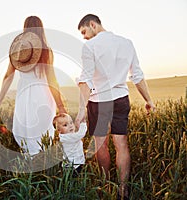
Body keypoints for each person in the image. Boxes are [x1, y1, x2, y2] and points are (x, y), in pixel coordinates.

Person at [75, 14, 155, 199]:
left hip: (98, 101)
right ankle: (123, 190)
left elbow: (86, 79)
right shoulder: (127, 43)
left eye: (84, 31)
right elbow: (137, 76)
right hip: (120, 99)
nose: (84, 37)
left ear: (93, 24)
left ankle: (106, 186)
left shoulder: (90, 46)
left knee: (100, 145)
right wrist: (149, 100)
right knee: (121, 144)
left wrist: (81, 111)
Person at [0, 16, 66, 157]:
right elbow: (52, 80)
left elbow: (8, 77)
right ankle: (42, 163)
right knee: (43, 132)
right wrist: (60, 105)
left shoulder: (18, 51)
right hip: (43, 95)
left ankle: (29, 163)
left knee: (26, 131)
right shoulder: (46, 51)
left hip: (24, 96)